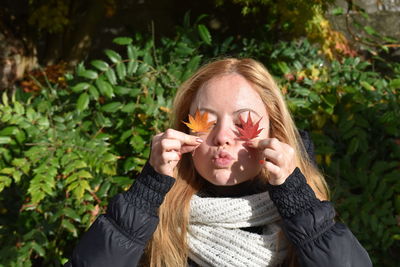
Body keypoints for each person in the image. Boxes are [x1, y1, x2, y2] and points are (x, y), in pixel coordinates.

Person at [64, 58, 372, 267]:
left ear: (275, 131)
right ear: (184, 132)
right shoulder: (153, 217)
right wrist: (147, 190)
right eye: (206, 122)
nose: (223, 136)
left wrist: (298, 199)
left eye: (244, 122)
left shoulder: (303, 214)